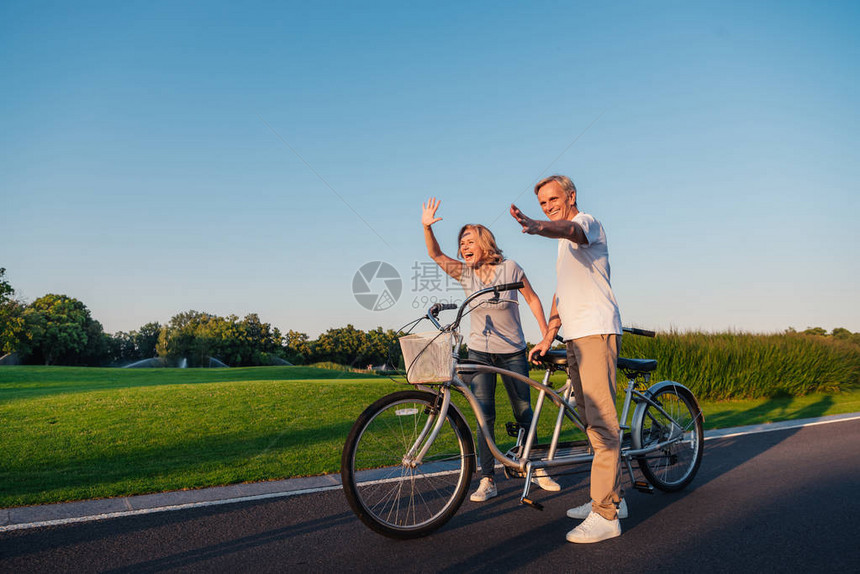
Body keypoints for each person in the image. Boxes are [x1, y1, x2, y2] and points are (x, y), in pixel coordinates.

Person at [421, 197, 560, 501]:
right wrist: (426, 227)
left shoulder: (510, 268)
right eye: (461, 243)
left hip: (513, 352)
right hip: (479, 355)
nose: (463, 247)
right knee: (485, 415)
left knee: (524, 410)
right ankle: (488, 479)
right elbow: (434, 253)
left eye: (469, 241)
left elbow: (533, 299)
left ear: (485, 243)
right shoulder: (465, 274)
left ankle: (534, 468)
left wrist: (545, 335)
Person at [510, 175, 624, 544]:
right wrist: (548, 335)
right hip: (575, 335)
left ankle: (605, 515)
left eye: (552, 200)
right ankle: (612, 500)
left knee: (603, 424)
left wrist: (538, 226)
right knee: (592, 422)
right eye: (542, 204)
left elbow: (572, 229)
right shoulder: (563, 247)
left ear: (570, 196)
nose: (547, 207)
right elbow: (561, 295)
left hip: (595, 332)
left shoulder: (587, 222)